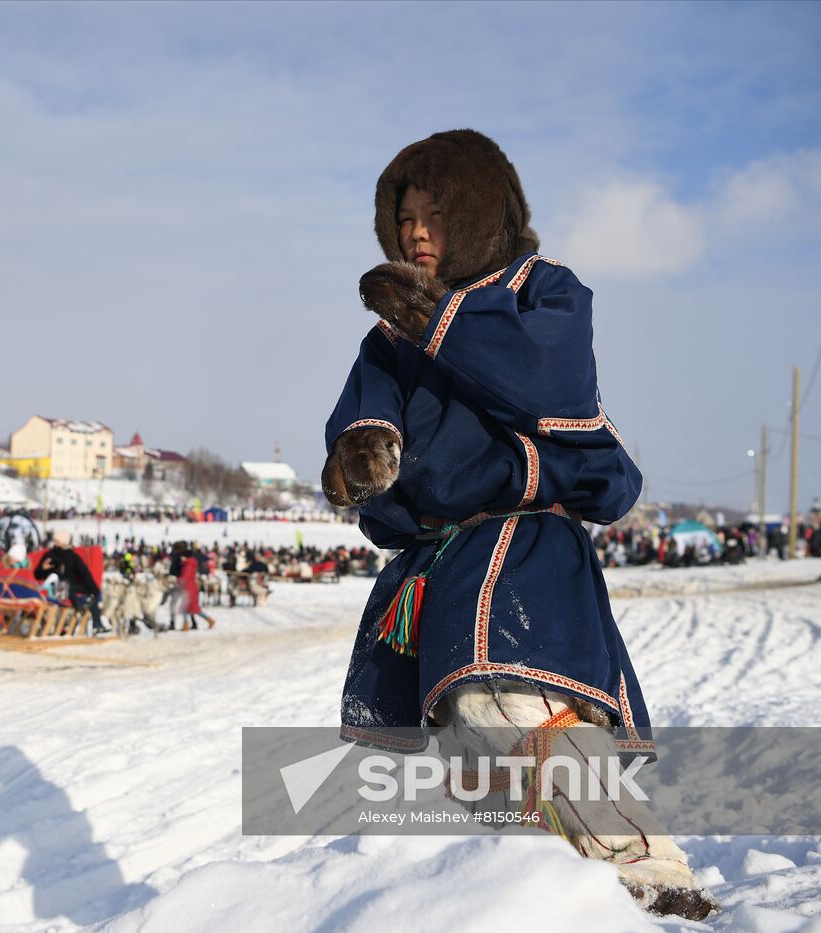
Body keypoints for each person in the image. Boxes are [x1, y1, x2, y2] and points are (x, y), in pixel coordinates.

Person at [321, 129, 716, 919]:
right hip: (435, 563)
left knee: (510, 707)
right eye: (404, 217)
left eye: (435, 212)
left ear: (476, 211)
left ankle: (648, 866)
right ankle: (550, 898)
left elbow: (550, 381)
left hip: (522, 545)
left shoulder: (545, 289)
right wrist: (360, 454)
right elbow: (367, 416)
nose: (416, 231)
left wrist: (439, 323)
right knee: (465, 755)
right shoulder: (390, 339)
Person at [34, 530, 107, 634]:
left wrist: (95, 590)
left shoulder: (72, 556)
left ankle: (96, 624)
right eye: (55, 540)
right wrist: (43, 568)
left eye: (57, 540)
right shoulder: (50, 555)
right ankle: (82, 612)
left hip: (69, 587)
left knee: (90, 595)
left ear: (64, 542)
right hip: (55, 587)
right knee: (79, 592)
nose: (55, 542)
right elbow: (38, 574)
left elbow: (84, 573)